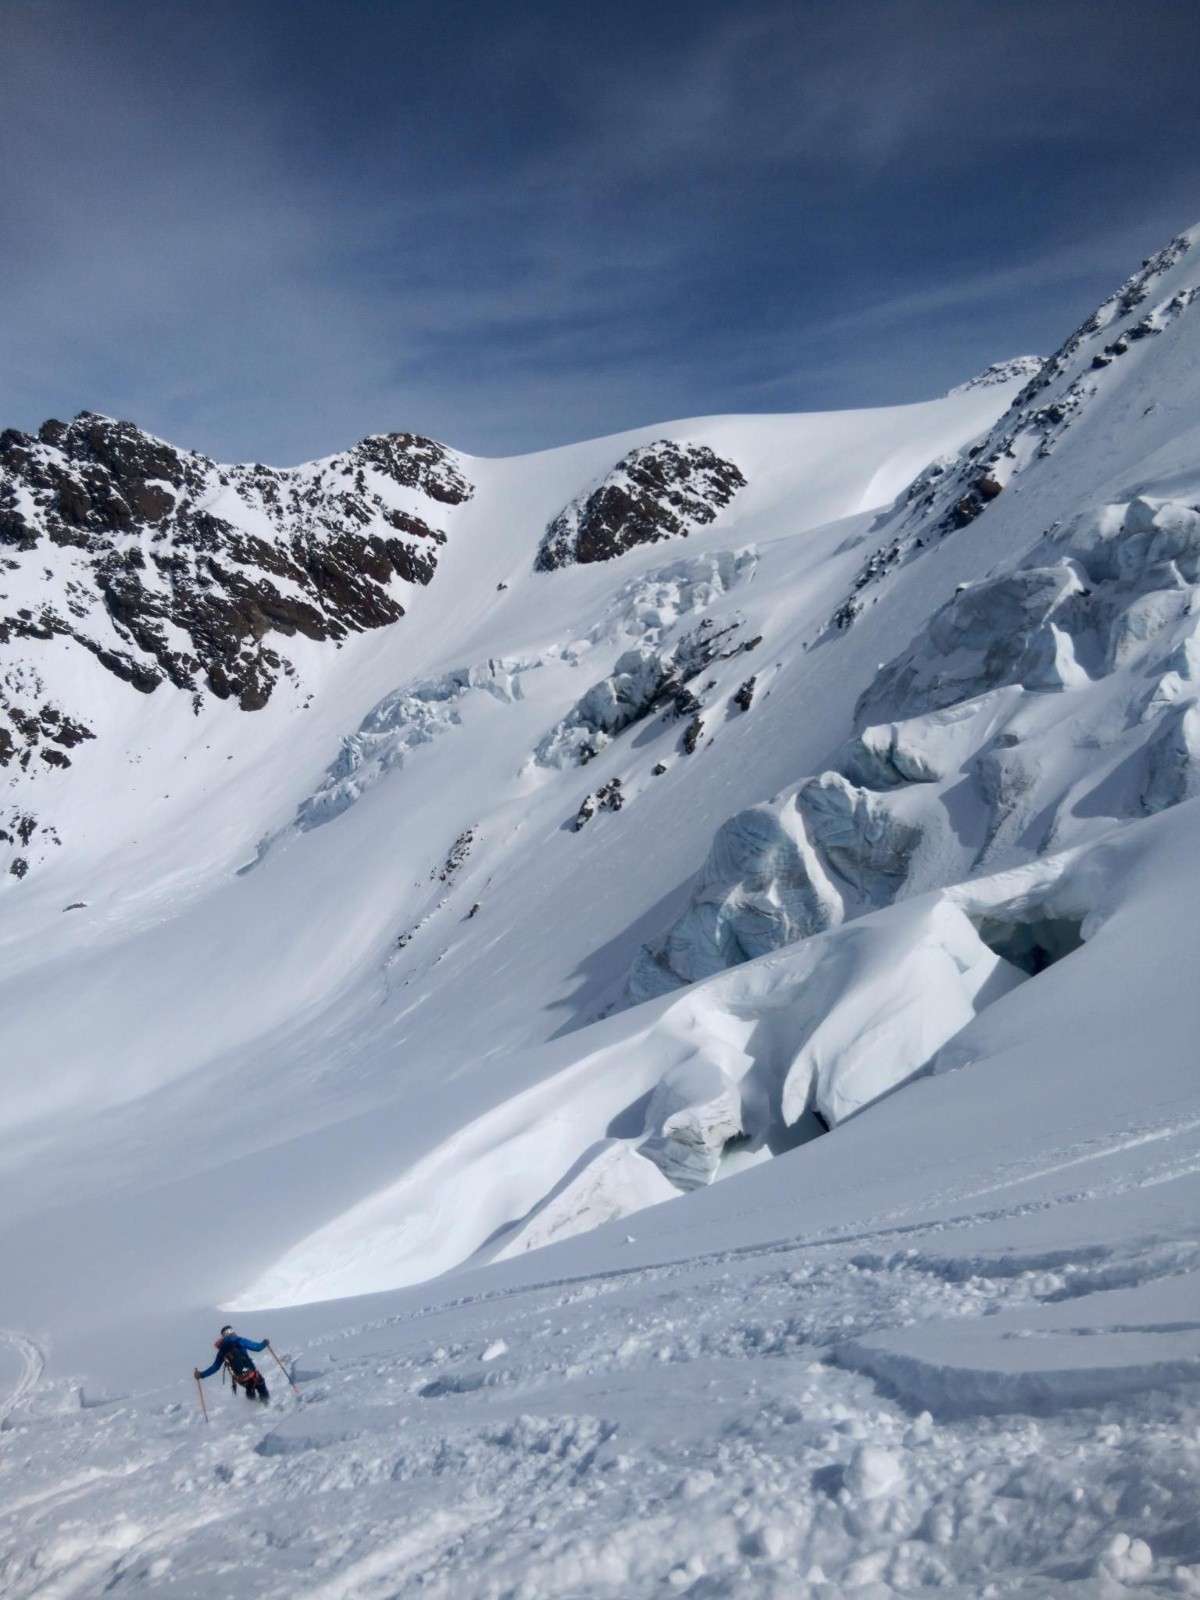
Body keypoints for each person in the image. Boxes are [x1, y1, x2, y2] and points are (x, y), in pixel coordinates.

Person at [194, 1325, 271, 1403]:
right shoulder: (240, 1341)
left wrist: (201, 1375)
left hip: (240, 1378)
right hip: (252, 1372)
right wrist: (265, 1343)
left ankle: (253, 1406)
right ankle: (267, 1405)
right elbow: (257, 1348)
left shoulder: (222, 1351)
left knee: (249, 1388)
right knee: (260, 1383)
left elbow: (215, 1367)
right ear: (232, 1331)